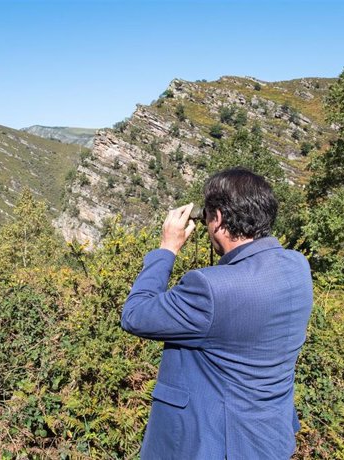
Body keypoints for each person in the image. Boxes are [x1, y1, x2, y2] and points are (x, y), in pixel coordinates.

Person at [121, 167, 313, 459]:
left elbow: (135, 314)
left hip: (214, 446)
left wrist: (167, 248)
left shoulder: (211, 289)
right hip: (269, 440)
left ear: (218, 218)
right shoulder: (297, 267)